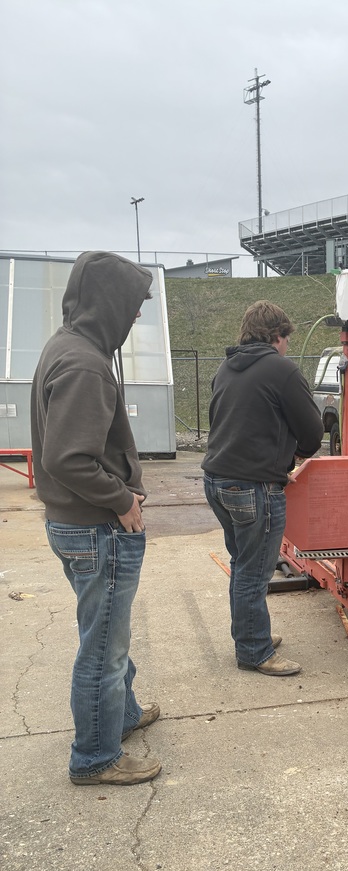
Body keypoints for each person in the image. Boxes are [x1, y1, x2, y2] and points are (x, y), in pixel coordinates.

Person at [30, 251, 161, 786]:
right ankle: (95, 757)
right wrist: (122, 500)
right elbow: (67, 458)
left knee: (107, 634)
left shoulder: (67, 348)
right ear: (110, 302)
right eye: (131, 307)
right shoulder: (85, 363)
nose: (134, 319)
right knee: (104, 648)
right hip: (96, 527)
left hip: (75, 524)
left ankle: (121, 717)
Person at [202, 300, 323, 676]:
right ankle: (255, 651)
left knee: (243, 565)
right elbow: (313, 433)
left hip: (217, 480)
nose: (287, 346)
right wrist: (291, 457)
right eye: (286, 339)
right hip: (254, 487)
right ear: (276, 337)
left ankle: (252, 636)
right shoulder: (281, 369)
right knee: (254, 572)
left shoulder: (225, 367)